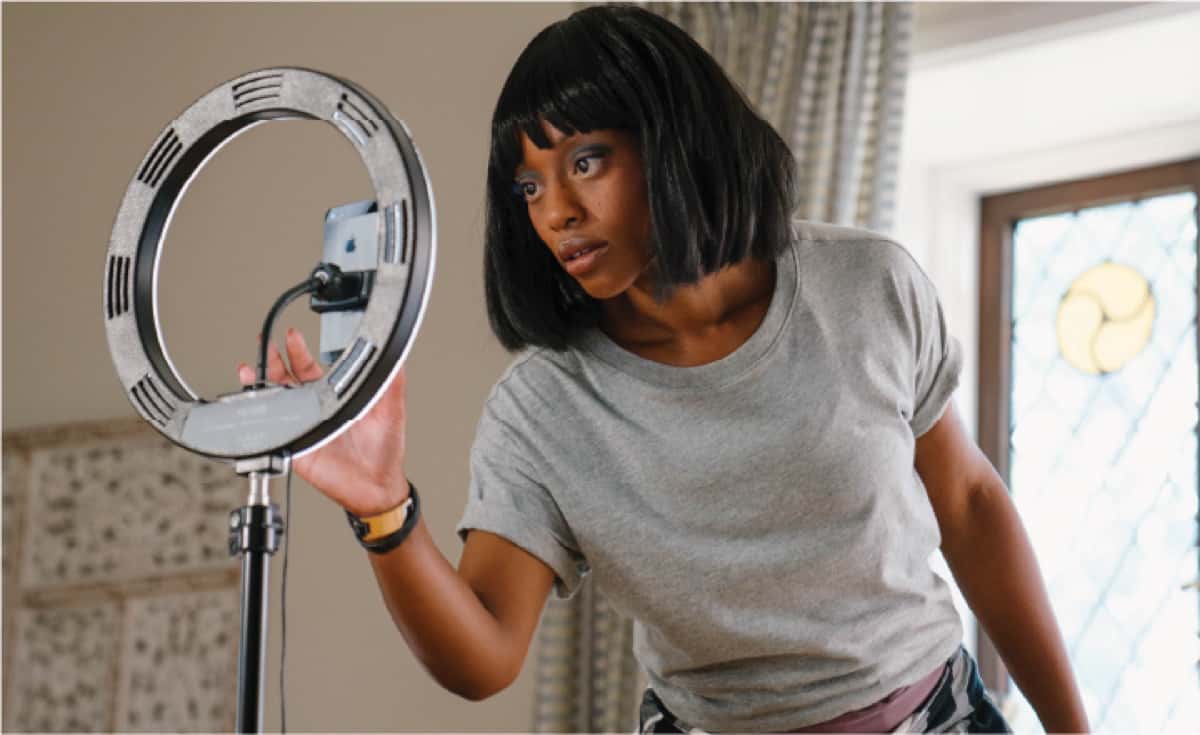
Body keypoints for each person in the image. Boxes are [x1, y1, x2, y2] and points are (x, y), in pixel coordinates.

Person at [238, 5, 1090, 733]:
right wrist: (384, 510)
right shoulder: (543, 407)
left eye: (585, 161)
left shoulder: (867, 286)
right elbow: (483, 655)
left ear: (676, 141)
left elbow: (970, 507)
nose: (556, 211)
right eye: (528, 187)